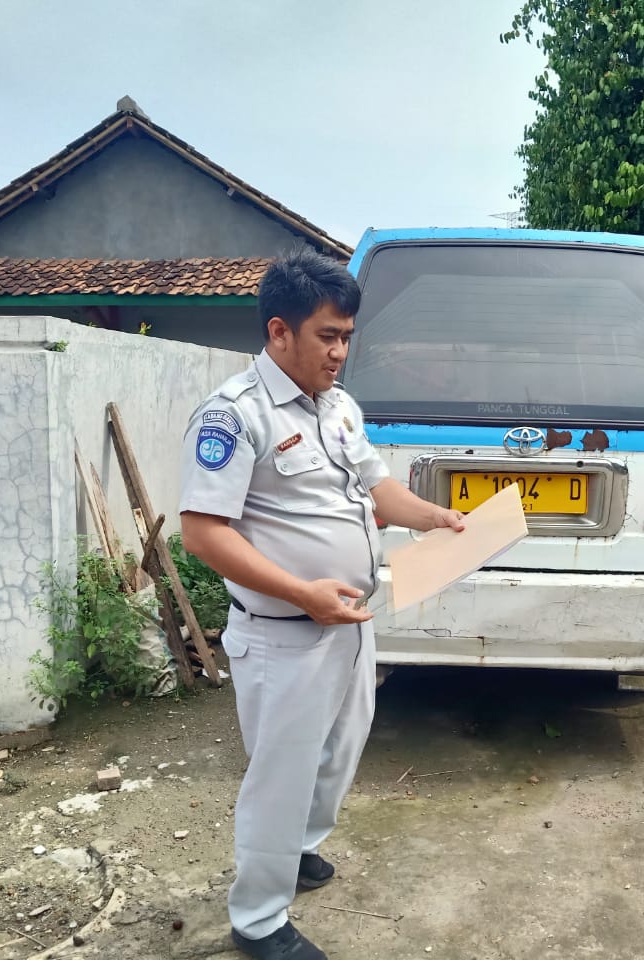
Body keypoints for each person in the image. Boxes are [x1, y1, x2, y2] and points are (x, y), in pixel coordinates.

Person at [179, 248, 465, 960]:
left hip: (348, 623)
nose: (340, 352)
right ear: (279, 332)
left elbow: (376, 486)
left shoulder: (338, 406)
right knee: (281, 775)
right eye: (327, 336)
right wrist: (301, 591)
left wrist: (433, 517)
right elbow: (203, 533)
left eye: (347, 337)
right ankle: (258, 919)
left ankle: (299, 848)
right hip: (284, 632)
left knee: (340, 750)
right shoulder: (234, 415)